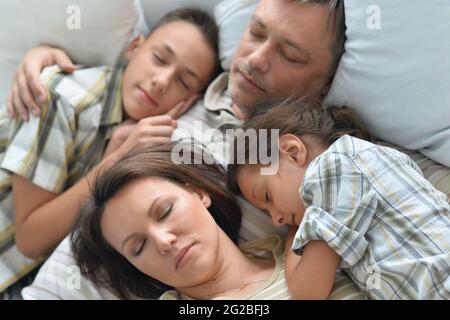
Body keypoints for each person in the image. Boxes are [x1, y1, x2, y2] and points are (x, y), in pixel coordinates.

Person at [14, 0, 450, 299]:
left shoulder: (322, 149)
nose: (257, 58)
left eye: (290, 56)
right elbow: (139, 66)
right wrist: (48, 61)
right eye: (256, 32)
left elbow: (411, 191)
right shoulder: (196, 96)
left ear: (323, 86)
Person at [0, 7, 221, 297]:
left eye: (183, 82)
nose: (162, 81)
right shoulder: (63, 95)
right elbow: (30, 237)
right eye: (159, 58)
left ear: (191, 101)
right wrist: (113, 161)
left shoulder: (152, 143)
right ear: (134, 48)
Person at [70, 142, 365, 300]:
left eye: (165, 212)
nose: (163, 241)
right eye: (137, 247)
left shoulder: (298, 240)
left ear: (199, 193)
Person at [227, 100, 450, 300]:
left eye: (267, 197)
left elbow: (308, 291)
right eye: (266, 213)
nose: (276, 220)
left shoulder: (332, 171)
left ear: (292, 152)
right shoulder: (372, 158)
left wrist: (291, 244)